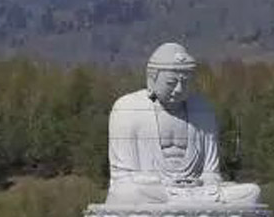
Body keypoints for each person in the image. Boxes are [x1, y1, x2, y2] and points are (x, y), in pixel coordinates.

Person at [105, 42, 261, 206]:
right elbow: (122, 178)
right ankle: (189, 205)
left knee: (252, 192)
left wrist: (201, 183)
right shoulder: (128, 108)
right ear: (152, 79)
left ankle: (183, 204)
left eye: (185, 83)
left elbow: (211, 174)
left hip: (195, 191)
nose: (179, 89)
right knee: (128, 193)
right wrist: (158, 183)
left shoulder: (203, 110)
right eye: (171, 83)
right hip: (153, 191)